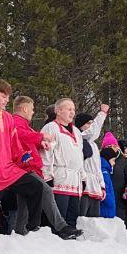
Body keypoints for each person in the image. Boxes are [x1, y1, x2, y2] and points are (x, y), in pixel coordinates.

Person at [0, 80, 65, 238]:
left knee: (37, 187)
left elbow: (15, 144)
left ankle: (32, 228)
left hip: (8, 169)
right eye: (3, 96)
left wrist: (23, 157)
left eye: (8, 97)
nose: (6, 100)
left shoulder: (8, 117)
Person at [10, 94, 76, 237]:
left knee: (25, 202)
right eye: (32, 109)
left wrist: (41, 143)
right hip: (24, 167)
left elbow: (28, 138)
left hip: (28, 167)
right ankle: (61, 226)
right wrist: (41, 137)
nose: (33, 112)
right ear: (25, 108)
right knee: (45, 190)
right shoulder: (15, 122)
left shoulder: (25, 125)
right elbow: (21, 134)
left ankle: (21, 232)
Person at [40, 97, 84, 228]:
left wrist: (83, 176)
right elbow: (45, 154)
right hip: (59, 178)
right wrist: (47, 176)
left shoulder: (76, 131)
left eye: (73, 110)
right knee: (59, 216)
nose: (72, 113)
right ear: (58, 111)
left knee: (73, 216)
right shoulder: (50, 128)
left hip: (75, 180)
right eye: (69, 109)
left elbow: (79, 155)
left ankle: (70, 244)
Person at [74, 107, 109, 217]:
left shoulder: (93, 144)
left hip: (95, 185)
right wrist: (102, 113)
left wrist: (102, 185)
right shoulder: (80, 138)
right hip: (84, 182)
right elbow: (94, 131)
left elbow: (97, 168)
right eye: (88, 123)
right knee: (81, 218)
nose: (91, 125)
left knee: (94, 220)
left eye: (92, 123)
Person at [98, 134, 119, 218]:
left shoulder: (106, 169)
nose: (114, 163)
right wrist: (110, 201)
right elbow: (106, 187)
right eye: (113, 160)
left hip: (109, 205)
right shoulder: (104, 170)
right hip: (106, 206)